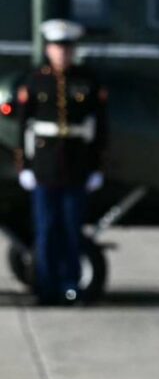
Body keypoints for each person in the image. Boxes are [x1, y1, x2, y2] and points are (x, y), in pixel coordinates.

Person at [15, 19, 108, 305]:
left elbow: (100, 128)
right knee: (46, 230)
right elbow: (23, 126)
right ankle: (45, 288)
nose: (62, 53)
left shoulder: (87, 81)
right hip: (44, 168)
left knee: (71, 231)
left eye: (67, 48)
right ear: (48, 50)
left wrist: (96, 167)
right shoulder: (35, 80)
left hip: (76, 166)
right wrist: (25, 166)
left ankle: (70, 286)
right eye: (57, 47)